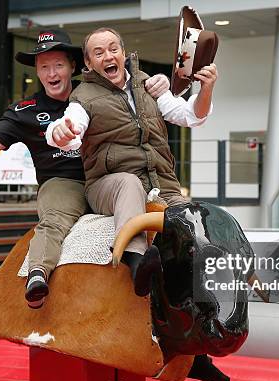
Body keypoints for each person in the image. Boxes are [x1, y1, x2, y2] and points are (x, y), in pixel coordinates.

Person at [0, 28, 169, 309]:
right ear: (36, 72)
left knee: (156, 207)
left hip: (109, 177)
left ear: (73, 66)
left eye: (58, 65)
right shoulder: (25, 110)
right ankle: (38, 274)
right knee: (55, 218)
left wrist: (161, 84)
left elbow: (141, 103)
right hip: (63, 181)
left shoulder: (99, 92)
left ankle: (142, 266)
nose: (52, 73)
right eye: (44, 67)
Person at [46, 27, 218, 297]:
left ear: (123, 54)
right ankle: (135, 261)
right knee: (129, 183)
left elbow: (189, 116)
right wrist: (60, 133)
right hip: (108, 184)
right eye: (98, 52)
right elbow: (70, 129)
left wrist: (206, 89)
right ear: (89, 63)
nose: (108, 56)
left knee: (194, 218)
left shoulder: (148, 84)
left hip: (163, 185)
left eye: (113, 49)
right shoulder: (83, 97)